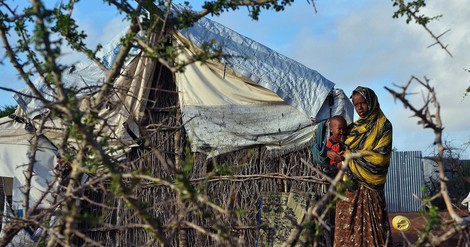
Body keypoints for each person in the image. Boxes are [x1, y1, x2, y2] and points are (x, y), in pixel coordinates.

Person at [327, 86, 393, 246]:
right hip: (348, 189)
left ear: (372, 102)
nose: (359, 108)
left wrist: (348, 156)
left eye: (363, 103)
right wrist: (331, 154)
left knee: (374, 232)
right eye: (356, 105)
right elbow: (332, 145)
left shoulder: (383, 126)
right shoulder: (352, 129)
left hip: (371, 189)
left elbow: (380, 158)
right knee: (346, 231)